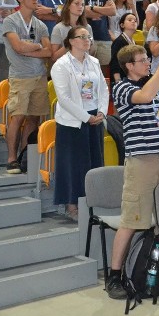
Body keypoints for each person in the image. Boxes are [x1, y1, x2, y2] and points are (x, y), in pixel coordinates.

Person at [104, 44, 159, 300]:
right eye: (142, 59)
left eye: (148, 58)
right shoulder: (124, 88)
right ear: (129, 66)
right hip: (142, 161)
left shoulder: (155, 85)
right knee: (132, 219)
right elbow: (145, 97)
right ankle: (114, 276)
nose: (147, 62)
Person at [50, 25, 108, 220]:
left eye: (88, 36)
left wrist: (101, 111)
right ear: (72, 41)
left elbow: (103, 89)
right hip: (72, 122)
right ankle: (72, 205)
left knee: (94, 163)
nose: (87, 39)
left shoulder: (94, 62)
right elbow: (63, 98)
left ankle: (93, 202)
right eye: (82, 36)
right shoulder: (61, 65)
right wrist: (86, 117)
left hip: (95, 118)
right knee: (73, 165)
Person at [2, 0, 52, 173]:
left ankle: (25, 156)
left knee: (34, 118)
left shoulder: (39, 24)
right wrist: (35, 47)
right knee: (18, 117)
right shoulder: (11, 21)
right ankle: (11, 158)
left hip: (39, 76)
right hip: (20, 76)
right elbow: (17, 47)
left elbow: (48, 51)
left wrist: (30, 49)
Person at [70, 0, 115, 66]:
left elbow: (113, 11)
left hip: (104, 36)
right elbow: (81, 11)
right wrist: (104, 10)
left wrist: (93, 8)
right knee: (84, 69)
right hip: (84, 36)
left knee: (104, 73)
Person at [109, 12, 138, 83]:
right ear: (122, 25)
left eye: (135, 20)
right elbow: (114, 62)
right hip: (122, 79)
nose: (133, 21)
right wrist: (117, 80)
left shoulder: (134, 42)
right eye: (130, 20)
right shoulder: (119, 41)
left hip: (131, 77)